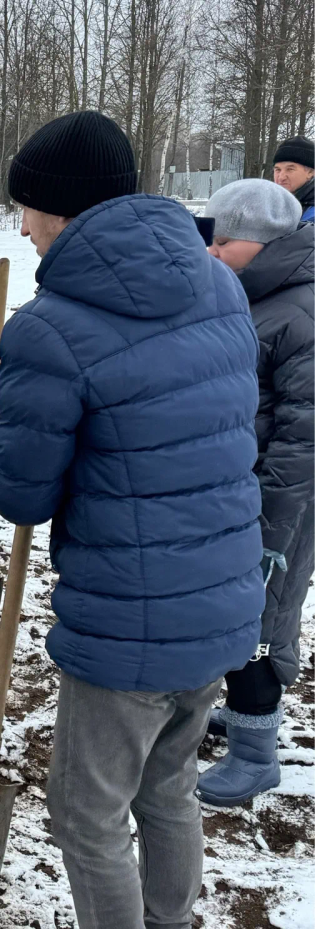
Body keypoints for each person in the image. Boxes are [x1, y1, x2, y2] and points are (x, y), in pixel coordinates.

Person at [0, 113, 263, 929]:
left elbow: (24, 496)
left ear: (58, 208)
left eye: (26, 207)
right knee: (168, 787)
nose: (23, 226)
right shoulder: (217, 283)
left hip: (128, 628)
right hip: (219, 605)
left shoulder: (50, 328)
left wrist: (14, 441)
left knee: (86, 815)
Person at [200, 179, 313, 806]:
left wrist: (272, 522)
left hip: (287, 497)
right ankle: (247, 716)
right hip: (253, 487)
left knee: (263, 617)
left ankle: (255, 755)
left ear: (261, 242)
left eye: (224, 241)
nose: (212, 252)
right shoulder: (263, 294)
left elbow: (305, 437)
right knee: (245, 610)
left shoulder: (300, 309)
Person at [272, 137, 314, 223]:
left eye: (290, 169)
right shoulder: (268, 205)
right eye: (277, 170)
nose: (281, 177)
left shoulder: (311, 217)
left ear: (310, 172)